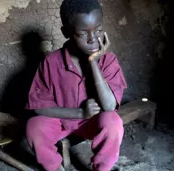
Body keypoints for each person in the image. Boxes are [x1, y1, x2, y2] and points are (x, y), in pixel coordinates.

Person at [25, 0, 127, 171]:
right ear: (66, 32)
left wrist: (94, 62)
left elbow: (109, 106)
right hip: (61, 121)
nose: (93, 39)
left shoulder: (108, 60)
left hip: (93, 123)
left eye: (99, 30)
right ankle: (55, 167)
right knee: (34, 126)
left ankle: (101, 168)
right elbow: (38, 107)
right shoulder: (50, 63)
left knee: (113, 122)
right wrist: (80, 112)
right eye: (83, 33)